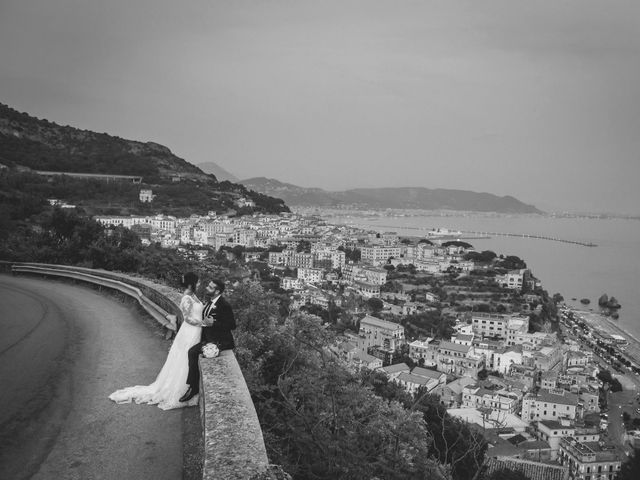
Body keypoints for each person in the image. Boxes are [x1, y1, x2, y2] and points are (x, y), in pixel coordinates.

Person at [109, 272, 205, 410]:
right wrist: (204, 323)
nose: (200, 283)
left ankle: (189, 388)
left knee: (186, 359)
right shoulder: (186, 298)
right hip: (189, 332)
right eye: (198, 281)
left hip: (195, 331)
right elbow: (188, 318)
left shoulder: (193, 296)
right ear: (192, 283)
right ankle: (180, 389)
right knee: (183, 359)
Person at [179, 278, 236, 402]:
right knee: (191, 352)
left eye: (210, 287)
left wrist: (213, 323)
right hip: (208, 338)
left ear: (217, 291)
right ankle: (193, 386)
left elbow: (232, 325)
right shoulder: (210, 302)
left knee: (192, 352)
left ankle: (193, 387)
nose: (207, 288)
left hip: (220, 341)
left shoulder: (224, 305)